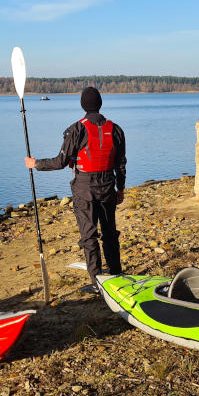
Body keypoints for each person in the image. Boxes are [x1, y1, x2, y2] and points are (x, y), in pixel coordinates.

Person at [25, 86, 126, 289]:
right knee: (109, 233)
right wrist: (120, 189)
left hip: (84, 190)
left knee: (89, 236)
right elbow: (121, 163)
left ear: (83, 106)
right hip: (107, 188)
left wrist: (35, 164)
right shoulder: (116, 129)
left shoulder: (77, 129)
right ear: (100, 104)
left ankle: (97, 282)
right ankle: (116, 274)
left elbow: (61, 161)